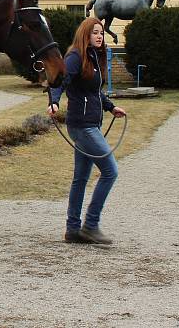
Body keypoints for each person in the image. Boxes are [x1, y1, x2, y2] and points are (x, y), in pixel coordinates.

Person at [48, 17, 126, 245]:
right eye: (94, 33)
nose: (99, 36)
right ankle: (91, 225)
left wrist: (111, 107)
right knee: (111, 171)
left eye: (101, 32)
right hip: (82, 126)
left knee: (80, 178)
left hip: (91, 124)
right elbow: (60, 82)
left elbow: (93, 92)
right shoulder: (74, 57)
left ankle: (73, 230)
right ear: (85, 35)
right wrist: (54, 102)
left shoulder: (92, 57)